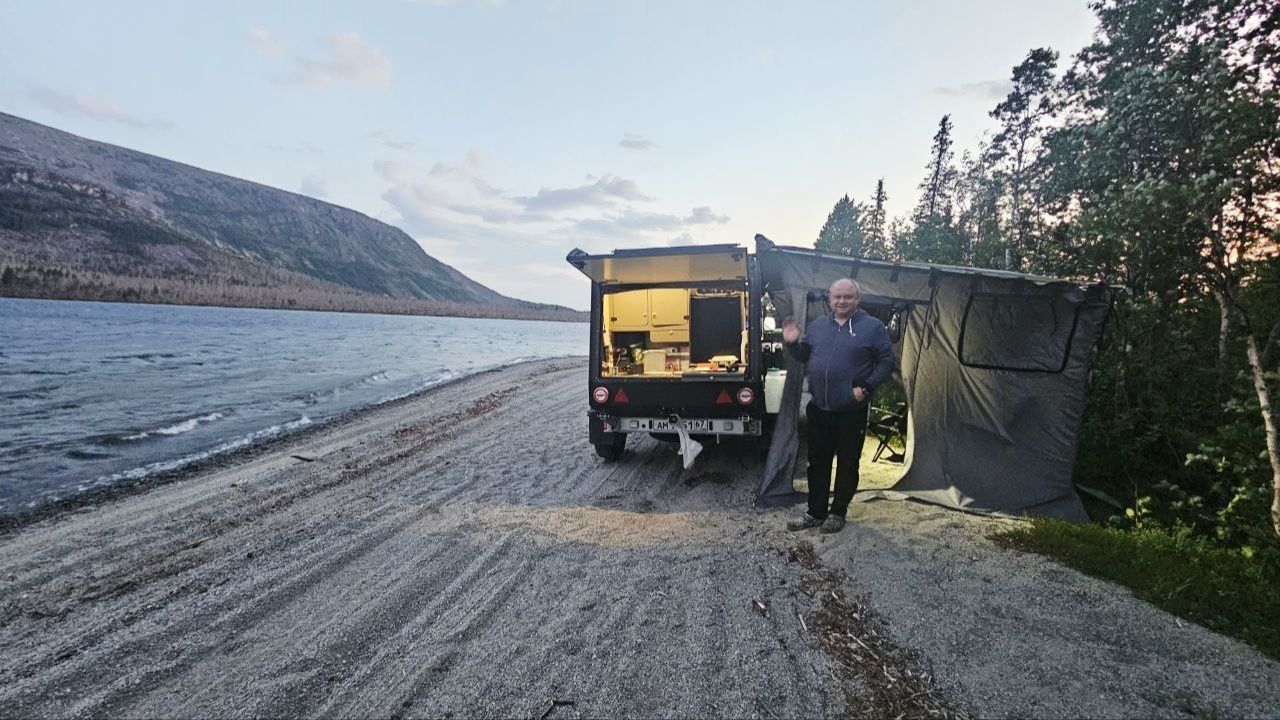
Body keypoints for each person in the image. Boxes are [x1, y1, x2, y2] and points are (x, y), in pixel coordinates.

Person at [782, 278, 896, 533]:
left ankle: (838, 512)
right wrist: (792, 343)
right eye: (837, 297)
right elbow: (804, 355)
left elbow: (887, 362)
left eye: (848, 297)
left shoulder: (873, 327)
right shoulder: (819, 325)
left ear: (858, 299)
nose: (842, 301)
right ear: (830, 300)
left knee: (847, 463)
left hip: (850, 412)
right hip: (820, 408)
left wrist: (866, 386)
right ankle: (816, 512)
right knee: (817, 463)